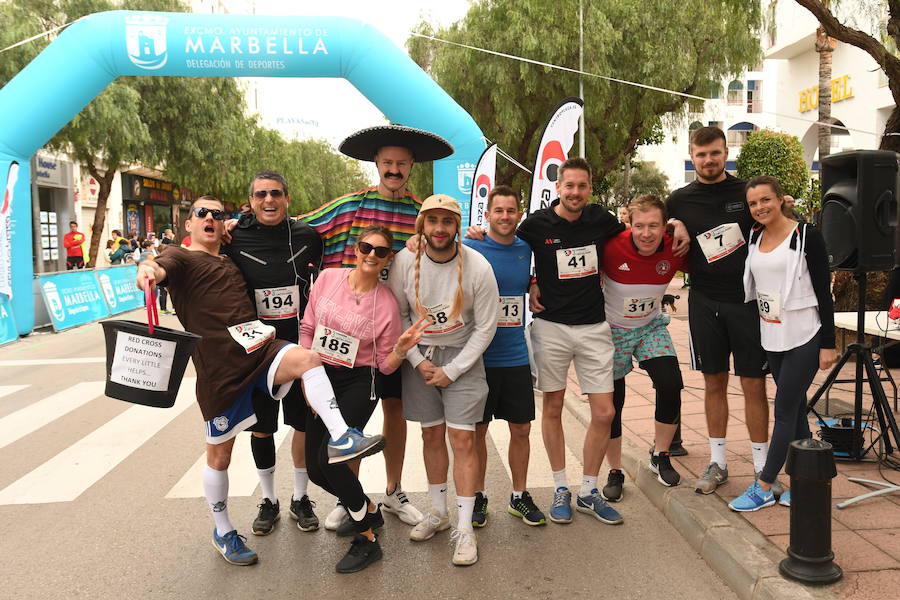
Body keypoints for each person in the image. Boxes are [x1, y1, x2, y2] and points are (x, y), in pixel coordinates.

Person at [135, 195, 385, 567]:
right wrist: (147, 269)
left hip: (260, 350)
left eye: (218, 215)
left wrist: (237, 228)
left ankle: (343, 436)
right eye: (201, 213)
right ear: (188, 224)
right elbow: (157, 265)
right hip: (219, 371)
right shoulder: (180, 257)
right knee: (219, 455)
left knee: (308, 358)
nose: (210, 218)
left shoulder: (231, 256)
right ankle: (223, 530)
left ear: (226, 224)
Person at [298, 124, 453, 530]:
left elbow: (450, 245)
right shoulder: (348, 207)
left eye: (402, 163)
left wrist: (473, 235)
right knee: (349, 420)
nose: (395, 169)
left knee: (395, 410)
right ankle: (348, 493)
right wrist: (235, 226)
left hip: (396, 327)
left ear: (412, 167)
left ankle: (394, 489)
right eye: (388, 162)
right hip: (345, 330)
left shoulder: (422, 214)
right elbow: (296, 226)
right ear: (377, 164)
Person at [301, 225, 428, 572]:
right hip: (319, 372)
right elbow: (309, 328)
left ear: (388, 258)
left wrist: (401, 350)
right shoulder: (327, 279)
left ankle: (367, 539)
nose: (371, 254)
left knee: (333, 460)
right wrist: (306, 373)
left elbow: (386, 368)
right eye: (366, 247)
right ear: (355, 250)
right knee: (314, 470)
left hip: (360, 382)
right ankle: (369, 510)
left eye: (381, 251)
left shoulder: (386, 303)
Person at [388, 194, 499, 566]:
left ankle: (465, 528)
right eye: (432, 220)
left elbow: (486, 327)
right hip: (420, 359)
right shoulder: (405, 261)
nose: (439, 228)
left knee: (463, 440)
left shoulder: (478, 267)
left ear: (456, 226)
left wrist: (452, 370)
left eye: (447, 221)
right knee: (431, 434)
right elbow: (399, 315)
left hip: (463, 360)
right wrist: (418, 362)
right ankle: (438, 511)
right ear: (422, 225)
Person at [666, 126, 773, 495]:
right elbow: (657, 230)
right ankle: (718, 463)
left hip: (747, 302)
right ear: (692, 157)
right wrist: (674, 222)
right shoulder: (678, 199)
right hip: (704, 302)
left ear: (726, 153)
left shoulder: (745, 193)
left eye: (715, 153)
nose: (708, 160)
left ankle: (763, 467)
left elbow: (774, 224)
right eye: (701, 154)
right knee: (713, 381)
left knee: (754, 384)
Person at [522, 157, 627, 526]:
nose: (576, 193)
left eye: (582, 186)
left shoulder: (601, 219)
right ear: (558, 187)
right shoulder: (536, 225)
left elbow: (636, 236)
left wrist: (674, 224)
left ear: (589, 188)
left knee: (605, 412)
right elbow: (512, 254)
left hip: (594, 327)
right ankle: (560, 487)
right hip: (550, 327)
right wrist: (530, 280)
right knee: (552, 407)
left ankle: (588, 490)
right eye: (570, 186)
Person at [223, 171, 324, 536]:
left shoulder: (309, 237)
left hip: (298, 351)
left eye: (276, 194)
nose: (269, 200)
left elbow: (323, 288)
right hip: (256, 352)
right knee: (262, 430)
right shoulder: (232, 238)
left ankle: (300, 497)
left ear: (287, 197)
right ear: (250, 201)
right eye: (261, 194)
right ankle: (269, 500)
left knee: (302, 425)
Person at [729, 176, 836, 511]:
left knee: (785, 409)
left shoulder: (806, 236)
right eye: (753, 203)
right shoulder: (754, 235)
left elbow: (824, 292)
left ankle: (764, 484)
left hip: (805, 333)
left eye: (765, 200)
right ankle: (808, 483)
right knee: (797, 410)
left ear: (780, 199)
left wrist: (828, 343)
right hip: (771, 334)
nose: (759, 208)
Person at [463, 185, 546, 527]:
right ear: (488, 214)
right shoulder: (470, 246)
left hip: (514, 354)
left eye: (511, 211)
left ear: (519, 214)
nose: (505, 217)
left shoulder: (526, 248)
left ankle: (519, 496)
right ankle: (479, 496)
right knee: (478, 432)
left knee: (522, 429)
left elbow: (533, 278)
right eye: (499, 211)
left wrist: (535, 282)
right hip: (479, 357)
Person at [598, 195, 689, 502]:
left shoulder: (675, 247)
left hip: (650, 326)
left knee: (671, 383)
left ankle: (660, 454)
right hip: (612, 331)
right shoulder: (612, 246)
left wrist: (683, 224)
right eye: (639, 226)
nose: (646, 233)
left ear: (665, 227)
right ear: (629, 225)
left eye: (653, 226)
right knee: (614, 403)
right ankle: (614, 470)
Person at [158, 229, 176, 314]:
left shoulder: (158, 258)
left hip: (163, 278)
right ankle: (173, 308)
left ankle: (163, 309)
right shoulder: (170, 243)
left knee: (163, 292)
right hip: (168, 277)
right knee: (170, 292)